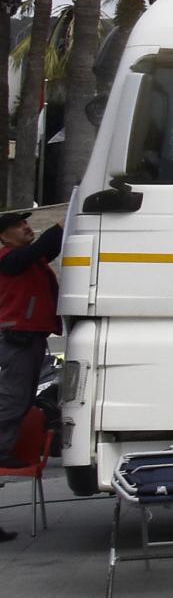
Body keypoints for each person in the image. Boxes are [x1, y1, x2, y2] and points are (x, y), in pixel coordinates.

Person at [0, 209, 62, 537]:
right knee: (13, 399)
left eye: (26, 224)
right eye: (19, 226)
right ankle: (2, 450)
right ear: (4, 236)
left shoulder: (28, 259)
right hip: (17, 339)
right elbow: (41, 249)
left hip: (31, 336)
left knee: (22, 399)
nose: (26, 228)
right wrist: (61, 224)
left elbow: (47, 249)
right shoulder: (9, 259)